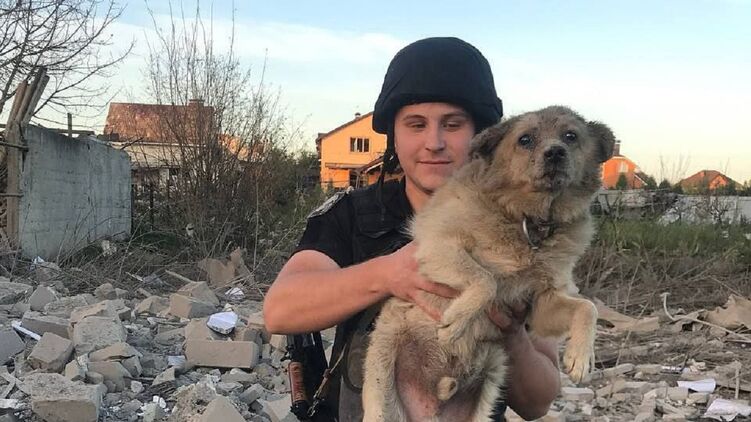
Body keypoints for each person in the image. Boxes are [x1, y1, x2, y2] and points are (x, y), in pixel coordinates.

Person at [263, 37, 561, 421]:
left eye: (452, 124)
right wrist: (389, 275)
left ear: (481, 134)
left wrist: (512, 332)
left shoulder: (525, 230)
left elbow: (538, 402)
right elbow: (280, 309)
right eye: (416, 124)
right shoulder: (353, 216)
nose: (433, 142)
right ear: (394, 134)